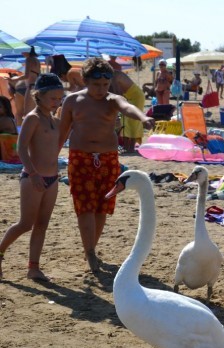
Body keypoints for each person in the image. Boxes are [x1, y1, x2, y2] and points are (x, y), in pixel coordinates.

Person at [58, 57, 154, 273]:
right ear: (85, 80)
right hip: (80, 158)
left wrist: (143, 118)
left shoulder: (113, 99)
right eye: (95, 84)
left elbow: (128, 107)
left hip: (108, 158)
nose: (101, 89)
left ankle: (91, 247)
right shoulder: (72, 101)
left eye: (105, 84)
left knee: (103, 206)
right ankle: (90, 252)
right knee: (85, 207)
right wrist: (50, 160)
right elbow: (62, 132)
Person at [0, 74, 65, 282]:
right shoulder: (33, 118)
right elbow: (21, 148)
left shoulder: (55, 120)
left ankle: (33, 267)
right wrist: (34, 173)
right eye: (53, 98)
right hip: (32, 177)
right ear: (40, 96)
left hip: (52, 179)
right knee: (25, 223)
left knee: (42, 224)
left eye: (59, 98)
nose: (57, 102)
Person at [110, 68, 146, 153]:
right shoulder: (112, 75)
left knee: (133, 122)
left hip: (137, 96)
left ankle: (131, 147)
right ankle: (126, 147)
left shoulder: (114, 76)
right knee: (124, 122)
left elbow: (117, 93)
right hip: (128, 97)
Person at [11, 48, 40, 126]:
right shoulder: (36, 60)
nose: (21, 52)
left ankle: (22, 133)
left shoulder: (28, 59)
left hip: (30, 87)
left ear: (28, 50)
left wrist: (15, 79)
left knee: (26, 114)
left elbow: (26, 75)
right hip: (34, 87)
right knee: (32, 112)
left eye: (23, 50)